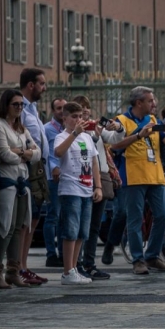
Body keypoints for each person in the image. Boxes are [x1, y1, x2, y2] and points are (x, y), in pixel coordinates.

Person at [110, 86, 165, 275]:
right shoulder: (121, 121)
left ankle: (153, 255)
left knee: (162, 215)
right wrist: (138, 135)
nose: (154, 103)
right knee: (135, 219)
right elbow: (114, 146)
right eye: (150, 100)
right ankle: (138, 259)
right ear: (139, 102)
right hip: (133, 176)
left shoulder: (154, 120)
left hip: (155, 175)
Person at [72, 95, 123, 280]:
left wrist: (117, 127)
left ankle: (90, 263)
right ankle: (75, 264)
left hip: (100, 178)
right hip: (82, 179)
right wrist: (88, 131)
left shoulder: (96, 127)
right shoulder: (73, 130)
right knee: (80, 225)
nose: (86, 111)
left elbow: (116, 138)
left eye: (87, 107)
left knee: (94, 225)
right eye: (81, 108)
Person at [53, 102, 103, 285]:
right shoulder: (62, 136)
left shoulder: (88, 138)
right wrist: (74, 134)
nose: (78, 120)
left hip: (86, 188)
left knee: (82, 231)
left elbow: (94, 162)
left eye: (80, 116)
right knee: (70, 230)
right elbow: (58, 152)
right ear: (65, 118)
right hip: (71, 188)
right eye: (74, 116)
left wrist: (98, 187)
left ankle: (74, 267)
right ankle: (67, 271)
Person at [0, 89, 41, 288]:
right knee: (5, 226)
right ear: (6, 105)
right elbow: (5, 155)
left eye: (22, 105)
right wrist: (26, 154)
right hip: (7, 182)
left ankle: (13, 271)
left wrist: (21, 152)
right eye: (16, 104)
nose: (20, 108)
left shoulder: (22, 129)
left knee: (19, 227)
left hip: (22, 180)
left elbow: (37, 153)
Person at [17, 69, 49, 286]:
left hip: (39, 169)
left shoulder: (34, 108)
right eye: (41, 84)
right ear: (30, 85)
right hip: (27, 168)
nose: (44, 88)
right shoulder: (19, 108)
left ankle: (24, 266)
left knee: (35, 218)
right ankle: (17, 266)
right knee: (24, 220)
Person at [42, 96, 67, 268]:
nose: (61, 111)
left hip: (69, 178)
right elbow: (47, 153)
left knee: (64, 218)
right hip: (53, 178)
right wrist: (53, 167)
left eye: (64, 108)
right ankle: (51, 254)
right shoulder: (47, 129)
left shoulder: (71, 129)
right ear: (53, 111)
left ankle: (63, 254)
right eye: (58, 108)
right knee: (52, 216)